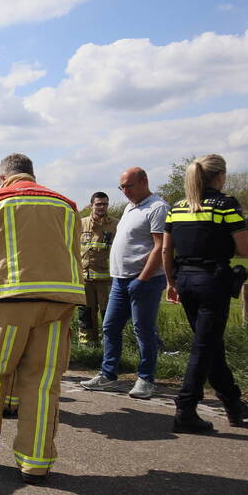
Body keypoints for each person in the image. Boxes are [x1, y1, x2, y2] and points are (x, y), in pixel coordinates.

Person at [0, 154, 83, 484]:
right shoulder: (66, 205)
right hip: (57, 306)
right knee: (42, 384)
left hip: (3, 303)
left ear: (3, 177)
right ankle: (35, 463)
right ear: (32, 174)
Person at [162, 154, 248, 432]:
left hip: (184, 280)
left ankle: (233, 403)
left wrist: (171, 282)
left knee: (211, 343)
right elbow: (245, 249)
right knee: (204, 346)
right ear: (220, 176)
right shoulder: (226, 204)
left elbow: (166, 249)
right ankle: (185, 408)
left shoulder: (178, 207)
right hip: (212, 282)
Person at [81, 167, 169, 399]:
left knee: (143, 330)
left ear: (143, 181)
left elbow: (160, 247)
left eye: (129, 186)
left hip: (144, 280)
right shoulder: (131, 207)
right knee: (110, 327)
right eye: (122, 188)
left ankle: (146, 379)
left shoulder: (157, 207)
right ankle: (108, 374)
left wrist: (143, 279)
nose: (125, 192)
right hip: (120, 280)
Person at [78, 192, 118, 344]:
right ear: (91, 205)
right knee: (86, 314)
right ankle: (87, 346)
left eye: (105, 204)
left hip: (106, 280)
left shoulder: (115, 225)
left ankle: (109, 344)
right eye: (98, 204)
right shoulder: (80, 224)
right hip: (85, 278)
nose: (102, 207)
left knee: (108, 314)